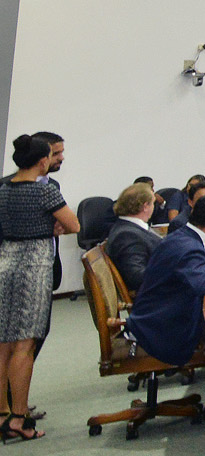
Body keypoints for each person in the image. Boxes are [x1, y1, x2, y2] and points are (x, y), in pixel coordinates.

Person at [126, 192, 205, 420]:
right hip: (161, 326)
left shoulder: (183, 236)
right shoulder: (188, 246)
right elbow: (203, 284)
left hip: (150, 314)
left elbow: (201, 257)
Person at [0, 136, 77, 441]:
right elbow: (74, 225)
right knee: (24, 345)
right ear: (43, 161)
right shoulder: (44, 190)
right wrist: (50, 227)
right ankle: (19, 418)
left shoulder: (3, 189)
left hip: (5, 264)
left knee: (3, 344)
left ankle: (2, 412)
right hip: (33, 267)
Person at [104, 182, 162, 293]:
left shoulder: (128, 228)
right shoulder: (126, 236)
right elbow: (136, 277)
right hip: (156, 294)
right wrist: (172, 271)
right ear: (145, 206)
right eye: (153, 203)